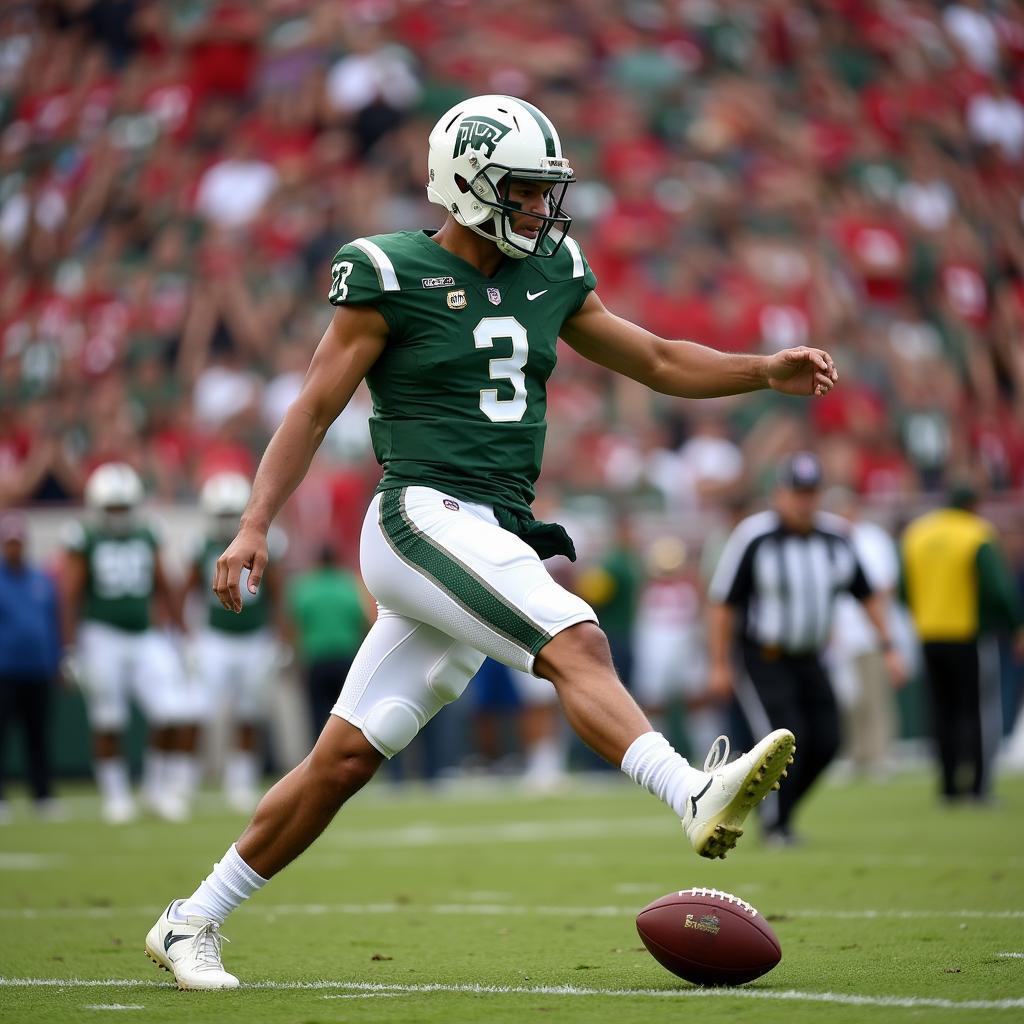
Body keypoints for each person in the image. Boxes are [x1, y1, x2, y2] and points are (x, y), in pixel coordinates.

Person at [145, 94, 838, 990]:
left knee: (346, 757)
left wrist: (760, 370)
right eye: (522, 191)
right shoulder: (389, 273)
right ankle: (689, 789)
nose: (541, 210)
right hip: (421, 516)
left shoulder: (551, 274)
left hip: (488, 532)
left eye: (546, 192)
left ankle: (189, 919)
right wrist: (253, 523)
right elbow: (315, 406)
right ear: (466, 186)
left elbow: (658, 360)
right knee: (577, 638)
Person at [706, 452, 905, 845]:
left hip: (812, 657)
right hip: (764, 657)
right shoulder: (755, 536)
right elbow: (723, 603)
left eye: (811, 493)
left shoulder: (835, 538)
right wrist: (718, 663)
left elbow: (867, 594)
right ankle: (776, 827)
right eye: (797, 493)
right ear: (778, 494)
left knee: (828, 740)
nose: (804, 502)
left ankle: (779, 812)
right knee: (779, 742)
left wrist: (889, 646)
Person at [62, 462, 195, 824]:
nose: (119, 514)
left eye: (124, 506)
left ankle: (156, 789)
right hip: (101, 634)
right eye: (112, 507)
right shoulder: (83, 536)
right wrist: (69, 646)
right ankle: (116, 794)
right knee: (109, 718)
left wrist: (181, 634)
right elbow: (70, 594)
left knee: (172, 710)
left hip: (145, 635)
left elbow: (164, 584)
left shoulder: (148, 532)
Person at [901, 485, 1024, 803]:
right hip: (968, 634)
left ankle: (948, 786)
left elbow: (904, 588)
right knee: (977, 712)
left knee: (941, 712)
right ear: (974, 505)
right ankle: (979, 786)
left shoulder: (919, 533)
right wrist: (1014, 626)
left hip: (929, 635)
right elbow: (997, 588)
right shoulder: (976, 533)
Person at [186, 472, 287, 813]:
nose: (228, 522)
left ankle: (240, 781)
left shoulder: (267, 542)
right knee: (198, 709)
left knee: (248, 712)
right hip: (215, 637)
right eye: (222, 514)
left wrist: (281, 636)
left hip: (255, 637)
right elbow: (187, 592)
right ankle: (184, 781)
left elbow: (278, 593)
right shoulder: (199, 545)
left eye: (233, 514)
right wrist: (187, 635)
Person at [0, 511, 62, 821]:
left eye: (18, 542)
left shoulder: (41, 579)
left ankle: (42, 794)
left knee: (38, 735)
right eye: (9, 542)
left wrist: (58, 659)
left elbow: (52, 622)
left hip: (38, 669)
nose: (14, 547)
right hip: (5, 670)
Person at [285, 544, 370, 743]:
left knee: (317, 714)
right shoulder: (349, 585)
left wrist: (297, 657)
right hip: (345, 658)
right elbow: (363, 621)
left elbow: (293, 625)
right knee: (346, 715)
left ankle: (318, 758)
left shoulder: (305, 587)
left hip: (316, 659)